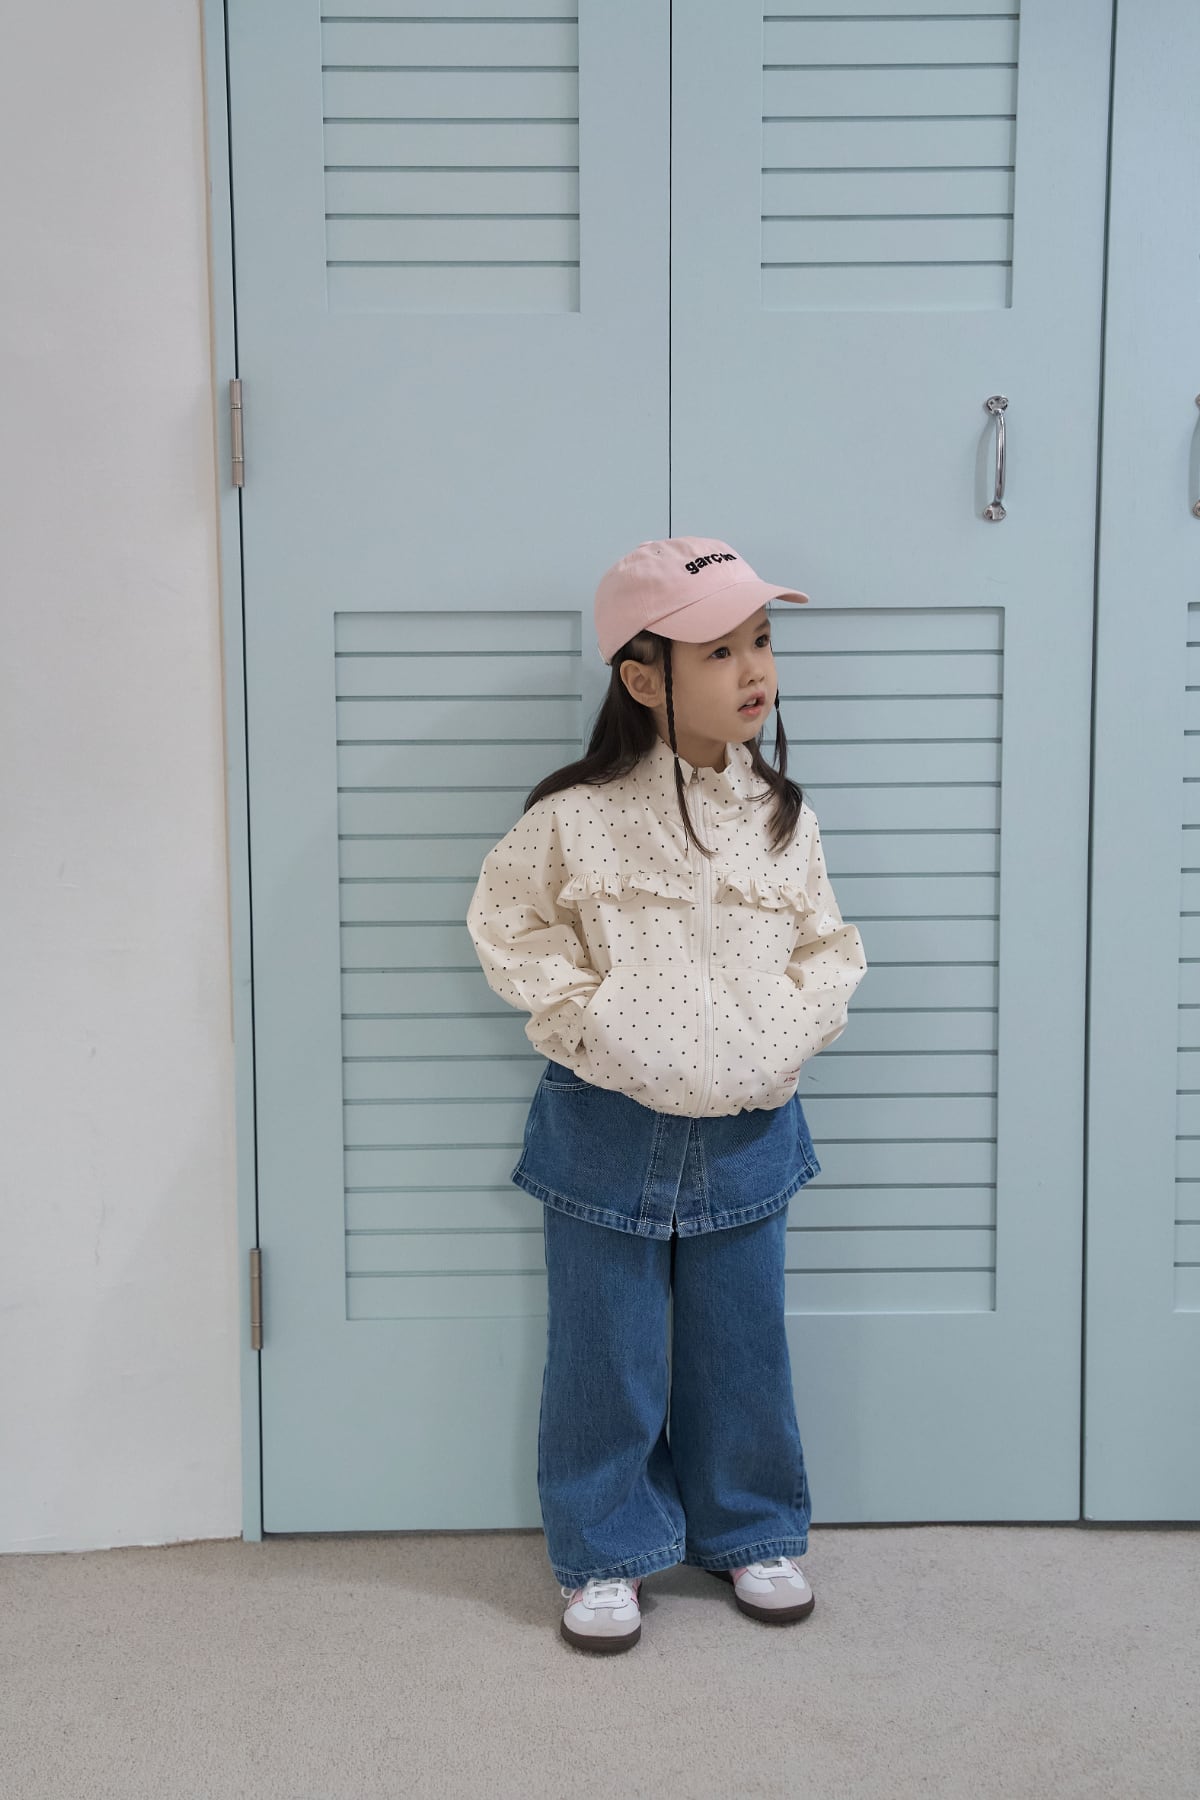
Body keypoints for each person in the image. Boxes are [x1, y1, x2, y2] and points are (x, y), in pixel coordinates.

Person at [466, 536, 868, 1654]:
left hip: (750, 1126)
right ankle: (607, 1550)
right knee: (606, 1354)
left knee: (744, 1346)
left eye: (762, 641)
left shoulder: (782, 816)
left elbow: (827, 949)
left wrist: (785, 1036)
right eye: (720, 651)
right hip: (605, 1124)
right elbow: (507, 922)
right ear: (645, 680)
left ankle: (751, 1529)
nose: (755, 669)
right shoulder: (577, 816)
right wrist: (590, 1019)